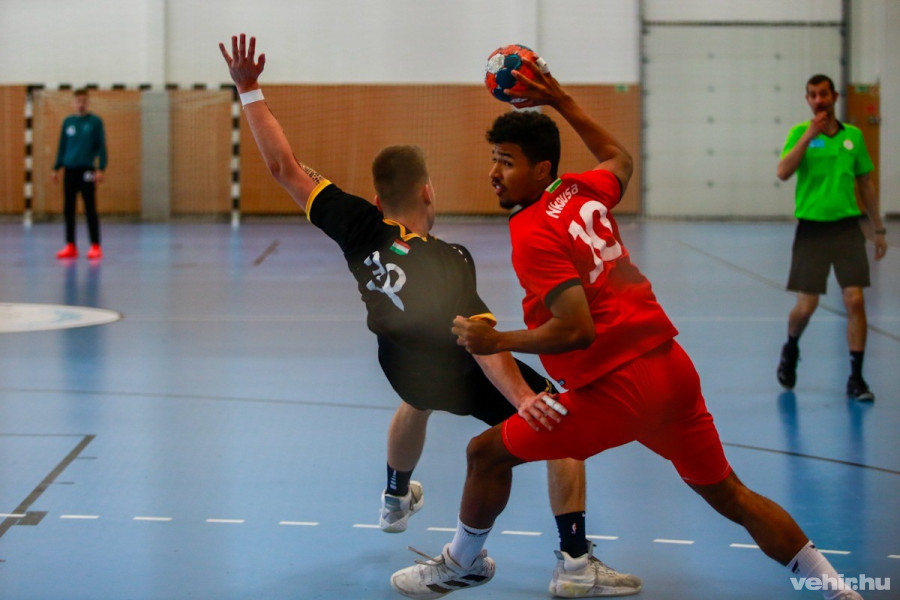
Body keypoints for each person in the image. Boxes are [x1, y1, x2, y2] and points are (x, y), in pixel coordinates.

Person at [390, 61, 865, 600]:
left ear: (541, 169)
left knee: (485, 453)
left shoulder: (533, 231)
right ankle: (838, 589)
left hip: (617, 387)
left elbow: (576, 329)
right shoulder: (580, 189)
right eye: (494, 159)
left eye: (507, 162)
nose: (494, 173)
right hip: (671, 370)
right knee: (730, 494)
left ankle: (461, 564)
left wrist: (499, 341)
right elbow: (620, 158)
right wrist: (560, 98)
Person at [219, 34, 641, 598]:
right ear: (427, 192)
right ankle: (575, 562)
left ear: (378, 199)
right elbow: (483, 344)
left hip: (401, 367)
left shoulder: (357, 225)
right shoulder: (448, 259)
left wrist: (248, 89)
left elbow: (283, 167)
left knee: (417, 399)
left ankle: (395, 497)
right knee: (559, 426)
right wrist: (526, 400)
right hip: (458, 372)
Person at [775, 74, 887, 402]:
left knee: (855, 300)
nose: (818, 100)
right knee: (806, 306)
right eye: (812, 95)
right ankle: (791, 347)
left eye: (823, 94)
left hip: (847, 228)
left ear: (834, 97)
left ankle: (856, 378)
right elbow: (783, 172)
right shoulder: (799, 133)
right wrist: (808, 136)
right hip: (812, 230)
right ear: (807, 100)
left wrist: (878, 228)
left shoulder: (853, 136)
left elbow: (866, 184)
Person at [52, 88, 107, 260]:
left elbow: (101, 147)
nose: (81, 104)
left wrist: (100, 168)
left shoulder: (95, 122)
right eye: (78, 101)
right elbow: (62, 146)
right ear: (73, 103)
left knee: (90, 207)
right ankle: (70, 245)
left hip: (87, 171)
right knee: (68, 208)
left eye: (84, 101)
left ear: (88, 103)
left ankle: (95, 245)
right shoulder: (68, 122)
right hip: (70, 170)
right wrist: (57, 167)